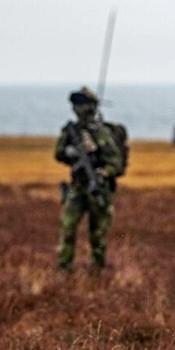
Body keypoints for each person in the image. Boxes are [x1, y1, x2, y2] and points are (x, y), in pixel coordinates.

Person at [54, 86, 122, 271]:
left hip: (98, 189)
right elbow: (58, 153)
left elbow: (116, 163)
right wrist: (72, 152)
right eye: (76, 104)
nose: (79, 108)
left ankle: (98, 268)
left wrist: (103, 171)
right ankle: (64, 267)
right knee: (68, 227)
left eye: (82, 104)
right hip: (78, 188)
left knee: (98, 234)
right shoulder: (71, 131)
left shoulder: (102, 133)